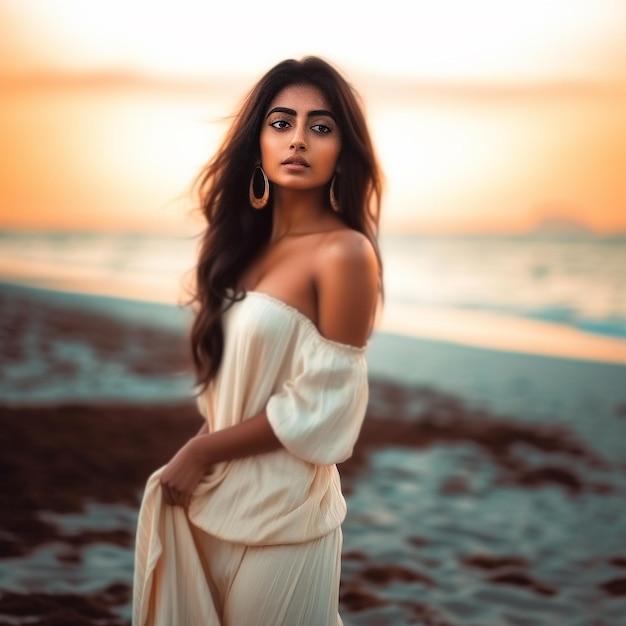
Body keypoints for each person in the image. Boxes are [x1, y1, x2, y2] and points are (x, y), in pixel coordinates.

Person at [132, 56, 383, 626]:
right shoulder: (240, 253)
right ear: (258, 142)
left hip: (287, 518)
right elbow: (233, 392)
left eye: (320, 127)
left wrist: (199, 451)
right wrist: (203, 452)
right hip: (214, 501)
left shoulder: (344, 254)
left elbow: (324, 406)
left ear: (342, 150)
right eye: (281, 123)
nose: (298, 139)